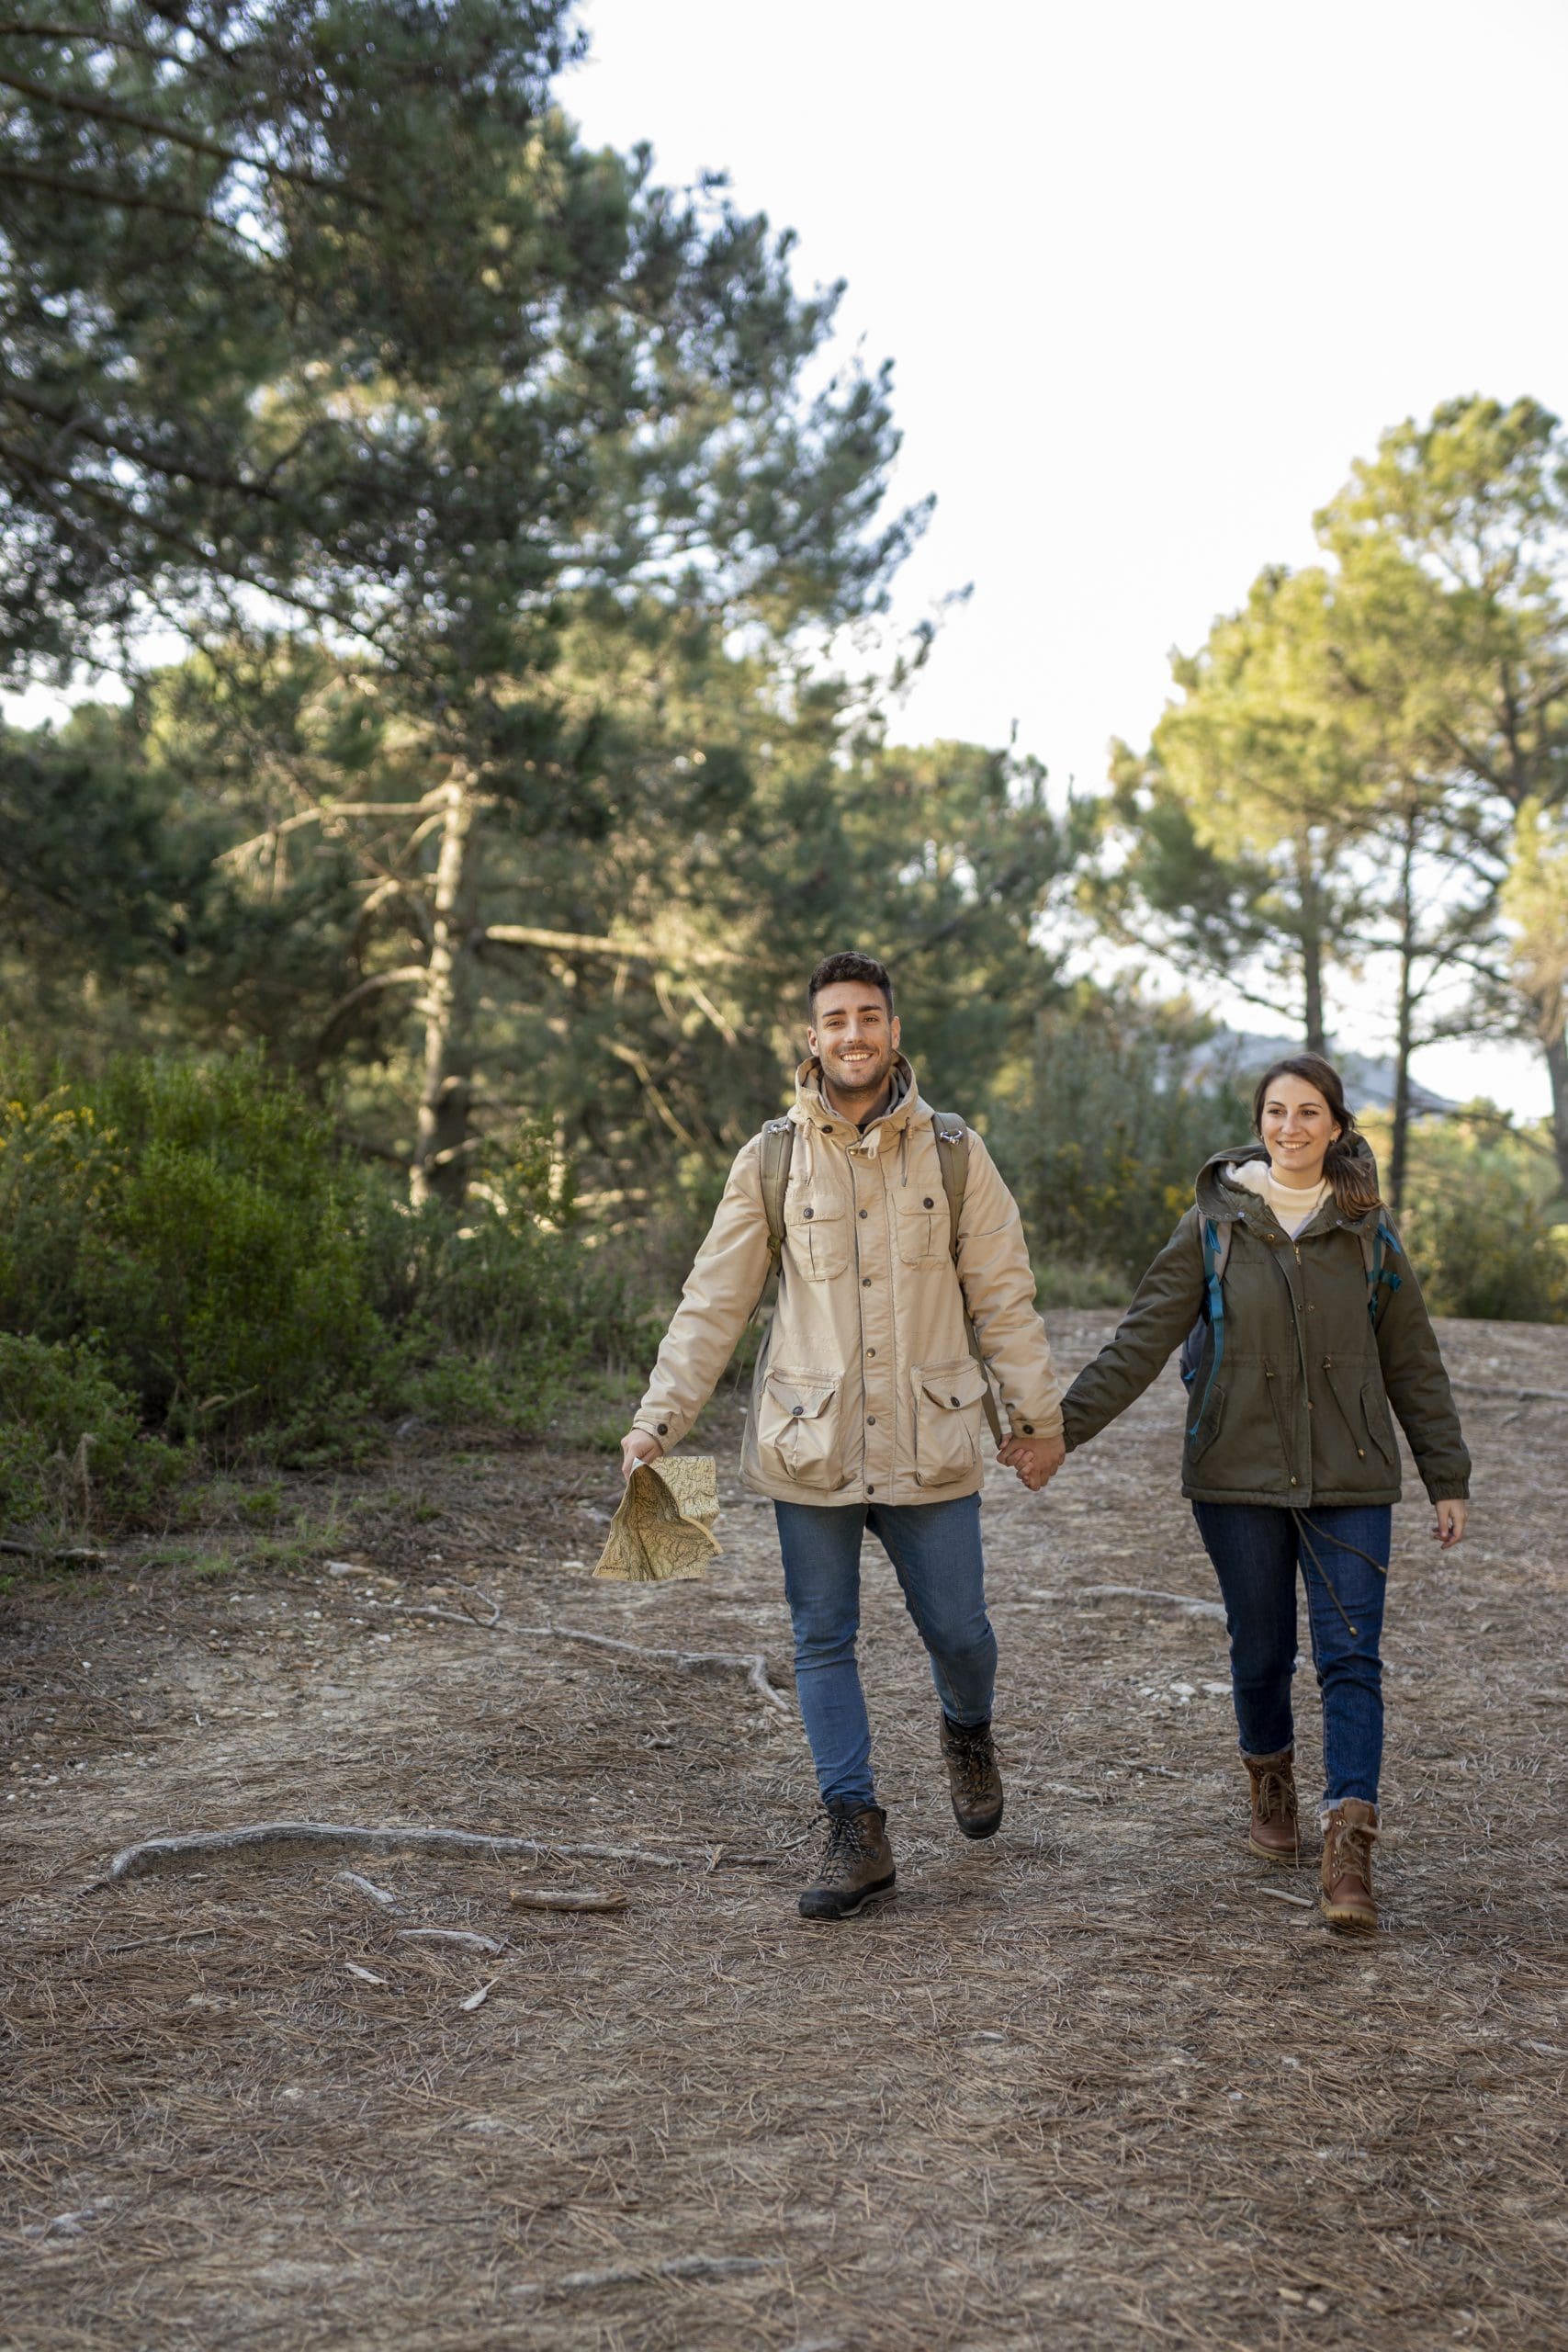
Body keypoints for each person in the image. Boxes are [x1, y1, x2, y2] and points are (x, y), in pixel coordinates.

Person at [619, 950, 1066, 1922]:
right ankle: (855, 1826)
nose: (852, 1034)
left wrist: (1036, 1420)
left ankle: (967, 1728)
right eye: (835, 1020)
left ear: (893, 1033)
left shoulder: (956, 1152)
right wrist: (660, 1420)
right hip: (809, 1442)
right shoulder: (771, 1158)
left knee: (960, 1632)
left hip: (929, 1438)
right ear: (812, 1037)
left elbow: (1004, 1297)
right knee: (821, 1637)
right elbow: (713, 1301)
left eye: (868, 1017)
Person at [1058, 1052, 1470, 1936]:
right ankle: (1269, 1778)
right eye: (1277, 1111)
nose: (1291, 1126)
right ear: (1258, 1124)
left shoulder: (1368, 1231)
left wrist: (1447, 1476)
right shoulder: (1213, 1226)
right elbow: (1139, 1341)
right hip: (1235, 1474)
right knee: (1261, 1647)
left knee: (1351, 1657)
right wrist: (1058, 1430)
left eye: (1309, 1111)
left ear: (1335, 1126)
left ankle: (1349, 1843)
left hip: (1350, 1476)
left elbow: (1413, 1362)